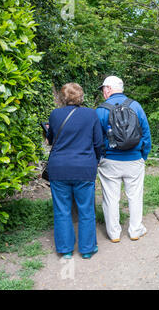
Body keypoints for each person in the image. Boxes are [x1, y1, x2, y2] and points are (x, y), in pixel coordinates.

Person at [46, 83, 103, 259]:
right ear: (81, 96)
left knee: (62, 210)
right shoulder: (91, 114)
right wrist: (94, 162)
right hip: (84, 168)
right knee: (86, 210)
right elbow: (98, 143)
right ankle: (87, 249)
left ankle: (65, 250)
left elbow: (51, 139)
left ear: (63, 97)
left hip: (59, 168)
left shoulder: (55, 115)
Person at [96, 76, 151, 243]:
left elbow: (96, 139)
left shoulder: (100, 110)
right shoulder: (135, 106)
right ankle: (135, 230)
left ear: (108, 89)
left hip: (110, 161)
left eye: (103, 89)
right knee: (135, 196)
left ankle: (114, 234)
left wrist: (100, 158)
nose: (103, 92)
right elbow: (146, 133)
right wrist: (143, 156)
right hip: (134, 159)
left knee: (111, 198)